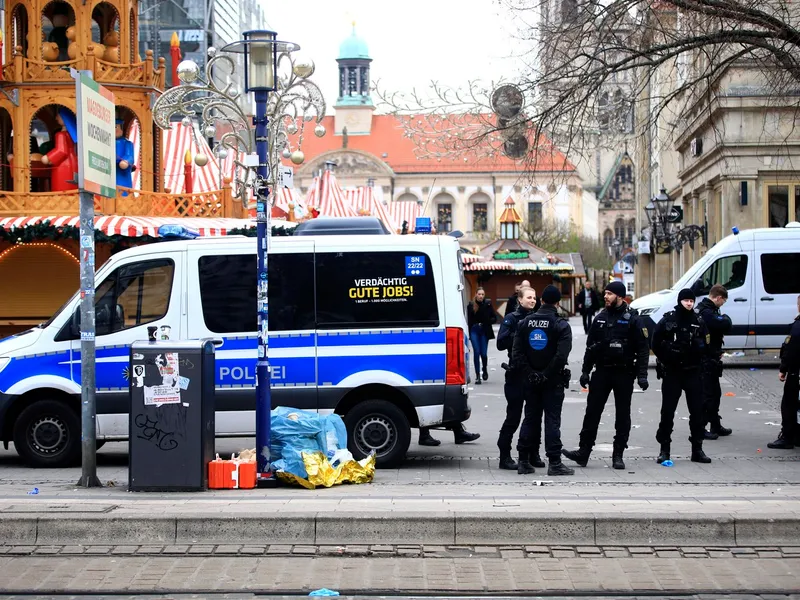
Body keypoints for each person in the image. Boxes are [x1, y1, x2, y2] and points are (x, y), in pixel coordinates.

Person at [562, 280, 649, 470]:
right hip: (602, 371)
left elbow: (643, 349)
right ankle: (583, 452)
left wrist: (642, 375)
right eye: (606, 293)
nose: (605, 296)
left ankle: (618, 454)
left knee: (622, 415)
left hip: (624, 372)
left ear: (619, 296)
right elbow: (590, 347)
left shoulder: (633, 319)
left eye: (609, 294)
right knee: (592, 412)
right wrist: (585, 371)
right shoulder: (600, 318)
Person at [511, 284, 574, 476]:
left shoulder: (525, 323)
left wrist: (531, 373)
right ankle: (554, 462)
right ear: (557, 303)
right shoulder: (561, 325)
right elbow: (561, 356)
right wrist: (545, 374)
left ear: (541, 300)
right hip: (552, 380)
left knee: (530, 418)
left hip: (530, 380)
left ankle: (523, 461)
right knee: (552, 420)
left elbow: (517, 353)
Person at [652, 288, 712, 464]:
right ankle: (664, 449)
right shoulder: (669, 319)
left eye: (691, 301)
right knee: (668, 412)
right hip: (673, 372)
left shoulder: (698, 321)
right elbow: (655, 342)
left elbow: (707, 344)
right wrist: (666, 357)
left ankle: (697, 449)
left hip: (693, 371)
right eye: (686, 300)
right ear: (680, 301)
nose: (689, 303)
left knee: (697, 412)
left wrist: (700, 351)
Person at [496, 286, 542, 471]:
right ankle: (504, 456)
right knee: (513, 417)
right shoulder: (512, 319)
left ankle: (533, 453)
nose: (532, 300)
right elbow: (501, 343)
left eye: (534, 297)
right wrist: (519, 332)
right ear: (520, 300)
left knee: (533, 417)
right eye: (529, 297)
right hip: (515, 374)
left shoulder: (538, 318)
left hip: (532, 373)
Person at [697, 285, 733, 439]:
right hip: (706, 359)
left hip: (711, 358)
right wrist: (726, 318)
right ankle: (701, 427)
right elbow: (725, 324)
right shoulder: (706, 312)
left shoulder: (707, 309)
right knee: (707, 395)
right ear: (718, 298)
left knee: (715, 394)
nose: (722, 305)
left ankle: (715, 424)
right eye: (722, 302)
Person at [768, 294, 800, 449]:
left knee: (789, 404)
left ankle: (787, 436)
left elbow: (791, 350)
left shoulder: (797, 326)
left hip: (797, 372)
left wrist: (784, 369)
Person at [41, 108, 78, 192]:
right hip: (73, 162)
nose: (56, 118)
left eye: (58, 116)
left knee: (61, 187)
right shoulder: (73, 135)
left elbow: (61, 151)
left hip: (63, 165)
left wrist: (48, 158)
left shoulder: (60, 134)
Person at [468, 287, 497, 384]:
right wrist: (468, 334)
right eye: (479, 294)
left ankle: (484, 369)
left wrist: (488, 321)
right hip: (474, 330)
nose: (480, 296)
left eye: (482, 294)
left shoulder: (487, 304)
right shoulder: (471, 305)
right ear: (476, 294)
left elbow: (494, 318)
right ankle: (477, 376)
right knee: (476, 351)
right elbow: (469, 321)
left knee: (483, 354)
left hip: (484, 330)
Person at [115, 119, 135, 196]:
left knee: (123, 189)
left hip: (122, 171)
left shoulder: (127, 143)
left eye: (116, 127)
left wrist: (125, 161)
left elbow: (129, 155)